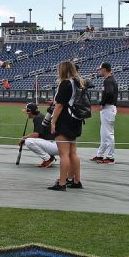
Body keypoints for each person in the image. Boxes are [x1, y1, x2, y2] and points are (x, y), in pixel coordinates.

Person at [47, 60, 85, 191]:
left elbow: (59, 106)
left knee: (64, 154)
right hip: (76, 120)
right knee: (73, 153)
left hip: (65, 120)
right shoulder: (77, 82)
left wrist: (53, 122)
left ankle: (62, 182)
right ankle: (76, 180)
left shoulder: (65, 83)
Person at [91, 62, 117, 164]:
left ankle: (110, 157)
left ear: (105, 69)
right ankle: (100, 155)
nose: (99, 71)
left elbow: (109, 93)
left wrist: (102, 103)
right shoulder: (110, 79)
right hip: (108, 108)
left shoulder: (108, 80)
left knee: (109, 134)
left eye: (100, 69)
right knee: (104, 134)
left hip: (108, 108)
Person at [21, 102, 58, 168]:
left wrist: (24, 138)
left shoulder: (38, 118)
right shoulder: (39, 116)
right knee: (30, 140)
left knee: (28, 141)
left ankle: (48, 159)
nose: (26, 113)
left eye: (27, 111)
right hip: (53, 144)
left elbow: (36, 135)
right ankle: (50, 158)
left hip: (54, 145)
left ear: (30, 111)